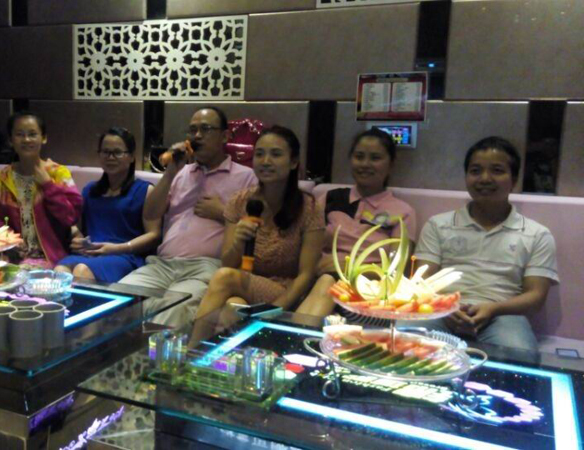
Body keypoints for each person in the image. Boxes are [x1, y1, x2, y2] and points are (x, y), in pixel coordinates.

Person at [404, 137, 558, 352]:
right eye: (476, 171)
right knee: (401, 341)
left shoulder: (537, 234)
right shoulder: (438, 225)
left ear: (514, 179)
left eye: (497, 170)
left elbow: (536, 297)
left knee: (520, 355)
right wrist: (444, 306)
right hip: (439, 310)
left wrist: (493, 309)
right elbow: (421, 281)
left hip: (503, 315)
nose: (485, 178)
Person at [119, 107, 257, 327]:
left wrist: (223, 212)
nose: (197, 136)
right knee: (118, 300)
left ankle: (156, 351)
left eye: (206, 129)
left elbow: (255, 231)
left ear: (225, 136)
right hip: (161, 264)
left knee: (173, 309)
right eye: (193, 130)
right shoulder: (181, 173)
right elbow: (150, 214)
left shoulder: (246, 177)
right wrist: (170, 172)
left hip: (205, 267)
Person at [194, 126, 323, 319]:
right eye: (259, 154)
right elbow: (227, 263)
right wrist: (238, 242)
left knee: (224, 278)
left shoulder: (309, 208)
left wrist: (273, 310)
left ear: (293, 162)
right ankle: (207, 339)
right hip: (244, 284)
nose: (266, 161)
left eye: (276, 154)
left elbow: (306, 275)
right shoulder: (240, 201)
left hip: (286, 291)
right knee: (232, 307)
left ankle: (193, 340)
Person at [296, 129, 416, 323]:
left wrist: (351, 270)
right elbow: (306, 246)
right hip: (318, 283)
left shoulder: (402, 212)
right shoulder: (329, 199)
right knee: (326, 282)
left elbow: (397, 271)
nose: (365, 164)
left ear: (391, 164)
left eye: (375, 158)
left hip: (369, 297)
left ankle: (294, 335)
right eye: (359, 157)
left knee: (329, 282)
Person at [54, 127, 161, 281]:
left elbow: (154, 235)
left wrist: (118, 248)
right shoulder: (90, 190)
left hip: (125, 256)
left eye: (117, 152)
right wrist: (77, 239)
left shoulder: (145, 190)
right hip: (91, 253)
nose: (110, 157)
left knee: (81, 270)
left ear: (131, 157)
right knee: (59, 271)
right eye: (105, 152)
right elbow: (77, 228)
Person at [0, 111, 83, 267]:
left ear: (43, 138)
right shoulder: (1, 179)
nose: (26, 139)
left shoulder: (57, 174)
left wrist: (48, 185)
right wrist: (10, 240)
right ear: (11, 140)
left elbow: (71, 217)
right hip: (13, 257)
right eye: (20, 134)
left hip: (53, 257)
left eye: (32, 134)